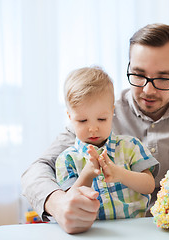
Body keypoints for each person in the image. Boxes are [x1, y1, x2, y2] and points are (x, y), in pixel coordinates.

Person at [21, 23, 169, 234]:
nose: (148, 89)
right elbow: (35, 171)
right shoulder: (99, 113)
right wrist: (58, 203)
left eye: (163, 78)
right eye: (138, 74)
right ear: (129, 67)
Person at [55, 66, 159, 221]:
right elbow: (69, 202)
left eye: (102, 119)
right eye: (82, 120)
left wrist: (120, 174)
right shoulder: (67, 159)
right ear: (70, 117)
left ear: (112, 112)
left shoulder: (130, 146)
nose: (93, 128)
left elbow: (149, 185)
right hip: (91, 231)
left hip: (135, 227)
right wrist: (87, 173)